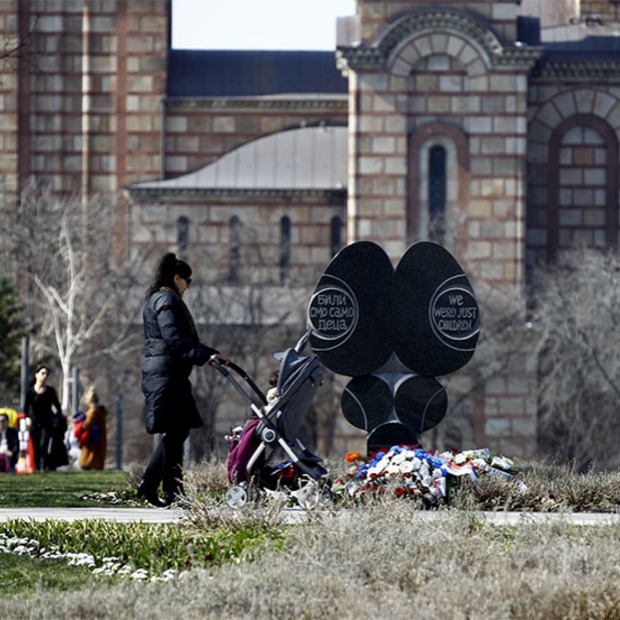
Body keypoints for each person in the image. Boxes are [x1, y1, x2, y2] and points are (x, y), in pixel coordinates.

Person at [138, 252, 226, 507]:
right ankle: (166, 488)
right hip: (166, 373)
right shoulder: (166, 300)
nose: (189, 287)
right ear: (177, 278)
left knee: (178, 430)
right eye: (188, 281)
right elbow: (174, 339)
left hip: (168, 372)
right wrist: (202, 356)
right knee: (177, 430)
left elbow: (182, 341)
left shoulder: (161, 298)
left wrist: (211, 354)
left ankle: (157, 485)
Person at [24, 365, 64, 471]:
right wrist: (27, 418)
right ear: (36, 375)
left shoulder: (50, 391)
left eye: (47, 374)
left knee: (44, 445)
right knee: (36, 446)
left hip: (47, 423)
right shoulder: (30, 392)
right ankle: (36, 466)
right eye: (42, 373)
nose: (45, 376)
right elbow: (26, 407)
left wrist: (57, 416)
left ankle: (43, 466)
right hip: (34, 423)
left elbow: (57, 406)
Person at [78, 386, 107, 470]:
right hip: (100, 438)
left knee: (90, 458)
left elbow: (87, 424)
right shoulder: (101, 412)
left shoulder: (92, 412)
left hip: (92, 440)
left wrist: (81, 425)